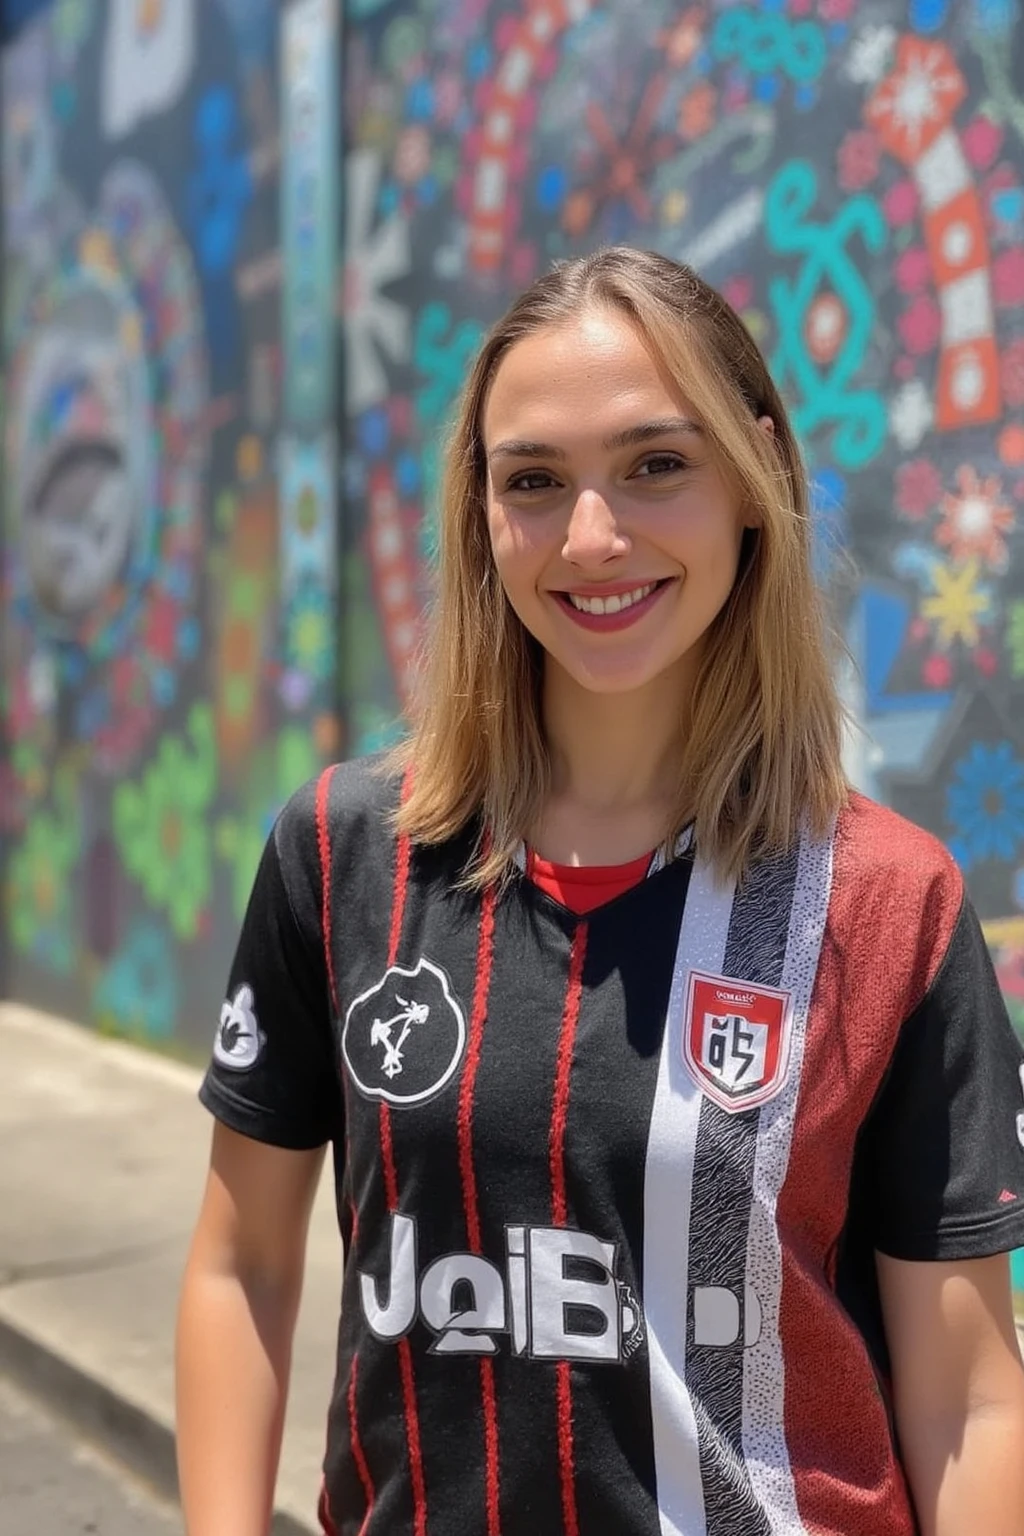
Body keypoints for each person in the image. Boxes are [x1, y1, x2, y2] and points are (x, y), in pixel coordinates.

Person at [175, 247, 1024, 1536]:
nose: (592, 537)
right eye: (534, 481)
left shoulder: (888, 904)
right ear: (481, 513)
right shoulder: (345, 853)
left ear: (754, 479)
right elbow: (240, 1270)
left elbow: (970, 1399)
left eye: (656, 465)